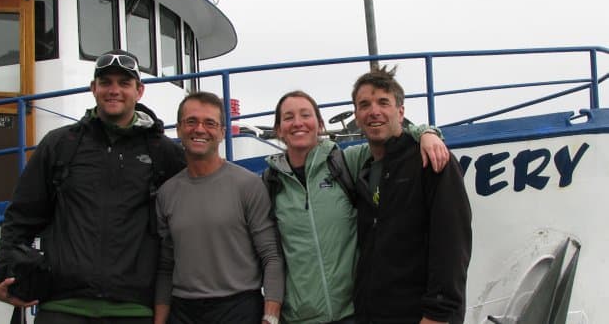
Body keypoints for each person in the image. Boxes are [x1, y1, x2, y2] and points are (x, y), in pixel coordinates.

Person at [0, 49, 186, 323]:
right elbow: (22, 215)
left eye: (124, 83)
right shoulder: (59, 145)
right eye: (105, 82)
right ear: (93, 88)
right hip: (61, 307)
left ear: (139, 91)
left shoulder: (164, 153)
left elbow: (195, 216)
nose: (114, 90)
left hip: (134, 310)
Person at [263, 90, 450, 323]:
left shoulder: (344, 162)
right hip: (300, 318)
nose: (298, 123)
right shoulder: (269, 183)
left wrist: (426, 133)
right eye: (288, 117)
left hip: (355, 313)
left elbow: (391, 140)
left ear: (320, 124)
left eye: (305, 115)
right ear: (279, 130)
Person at [348, 66, 472, 324]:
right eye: (364, 105)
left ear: (401, 112)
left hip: (422, 316)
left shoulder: (430, 161)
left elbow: (452, 241)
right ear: (357, 117)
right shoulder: (363, 170)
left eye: (384, 102)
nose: (374, 111)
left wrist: (438, 313)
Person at [154, 91, 284, 324]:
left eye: (210, 123)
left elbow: (271, 256)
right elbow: (165, 265)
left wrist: (270, 316)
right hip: (183, 311)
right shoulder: (166, 193)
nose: (200, 129)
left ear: (222, 132)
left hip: (238, 309)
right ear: (179, 129)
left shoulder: (248, 185)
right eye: (191, 121)